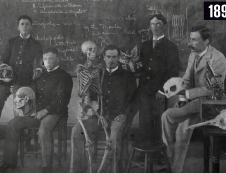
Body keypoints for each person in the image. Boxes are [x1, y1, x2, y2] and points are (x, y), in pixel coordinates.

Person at [161, 25, 226, 173]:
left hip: (209, 102)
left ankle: (170, 163)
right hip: (194, 101)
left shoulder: (218, 58)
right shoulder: (193, 54)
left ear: (206, 41)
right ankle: (171, 165)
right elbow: (186, 80)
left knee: (167, 116)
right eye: (190, 39)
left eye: (194, 40)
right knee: (180, 131)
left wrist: (187, 94)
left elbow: (215, 89)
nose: (189, 43)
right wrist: (183, 97)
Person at [0, 48, 72, 173]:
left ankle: (46, 167)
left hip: (56, 113)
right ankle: (9, 162)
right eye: (45, 59)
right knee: (13, 124)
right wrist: (19, 90)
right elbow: (32, 91)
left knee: (43, 130)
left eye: (51, 58)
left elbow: (62, 100)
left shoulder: (65, 76)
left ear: (58, 59)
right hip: (36, 113)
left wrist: (45, 111)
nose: (47, 61)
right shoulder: (40, 75)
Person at [70, 45, 137, 173]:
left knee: (115, 134)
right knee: (76, 131)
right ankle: (77, 170)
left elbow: (134, 100)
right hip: (97, 117)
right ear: (104, 58)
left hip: (118, 117)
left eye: (114, 57)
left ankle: (115, 170)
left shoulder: (128, 76)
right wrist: (89, 110)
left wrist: (125, 114)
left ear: (119, 58)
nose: (111, 60)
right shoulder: (96, 74)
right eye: (108, 57)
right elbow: (88, 97)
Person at [135, 14, 180, 143]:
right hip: (144, 90)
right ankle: (145, 153)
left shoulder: (171, 47)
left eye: (158, 24)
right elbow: (142, 66)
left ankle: (159, 154)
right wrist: (134, 66)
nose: (155, 27)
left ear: (164, 26)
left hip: (159, 92)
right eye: (152, 24)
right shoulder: (145, 45)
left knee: (159, 122)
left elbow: (173, 72)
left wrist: (161, 91)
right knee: (144, 122)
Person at [0, 15, 43, 131]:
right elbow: (4, 60)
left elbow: (41, 62)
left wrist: (39, 69)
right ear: (18, 27)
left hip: (26, 81)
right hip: (10, 81)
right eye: (22, 24)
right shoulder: (11, 42)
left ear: (31, 27)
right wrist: (2, 68)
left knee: (27, 105)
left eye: (27, 24)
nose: (25, 26)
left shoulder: (36, 44)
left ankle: (27, 134)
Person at [76, 41, 104, 106]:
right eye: (90, 50)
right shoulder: (81, 69)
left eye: (94, 50)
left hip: (96, 98)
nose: (93, 52)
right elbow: (80, 85)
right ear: (85, 52)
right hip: (85, 96)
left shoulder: (98, 68)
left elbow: (98, 84)